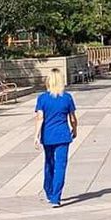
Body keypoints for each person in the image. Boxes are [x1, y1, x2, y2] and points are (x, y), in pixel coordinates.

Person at [34, 70, 77, 207]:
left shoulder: (42, 98)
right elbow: (72, 118)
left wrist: (36, 135)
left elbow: (40, 118)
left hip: (48, 136)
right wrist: (74, 129)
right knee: (60, 166)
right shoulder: (67, 98)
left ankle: (49, 190)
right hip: (63, 135)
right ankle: (56, 197)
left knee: (49, 163)